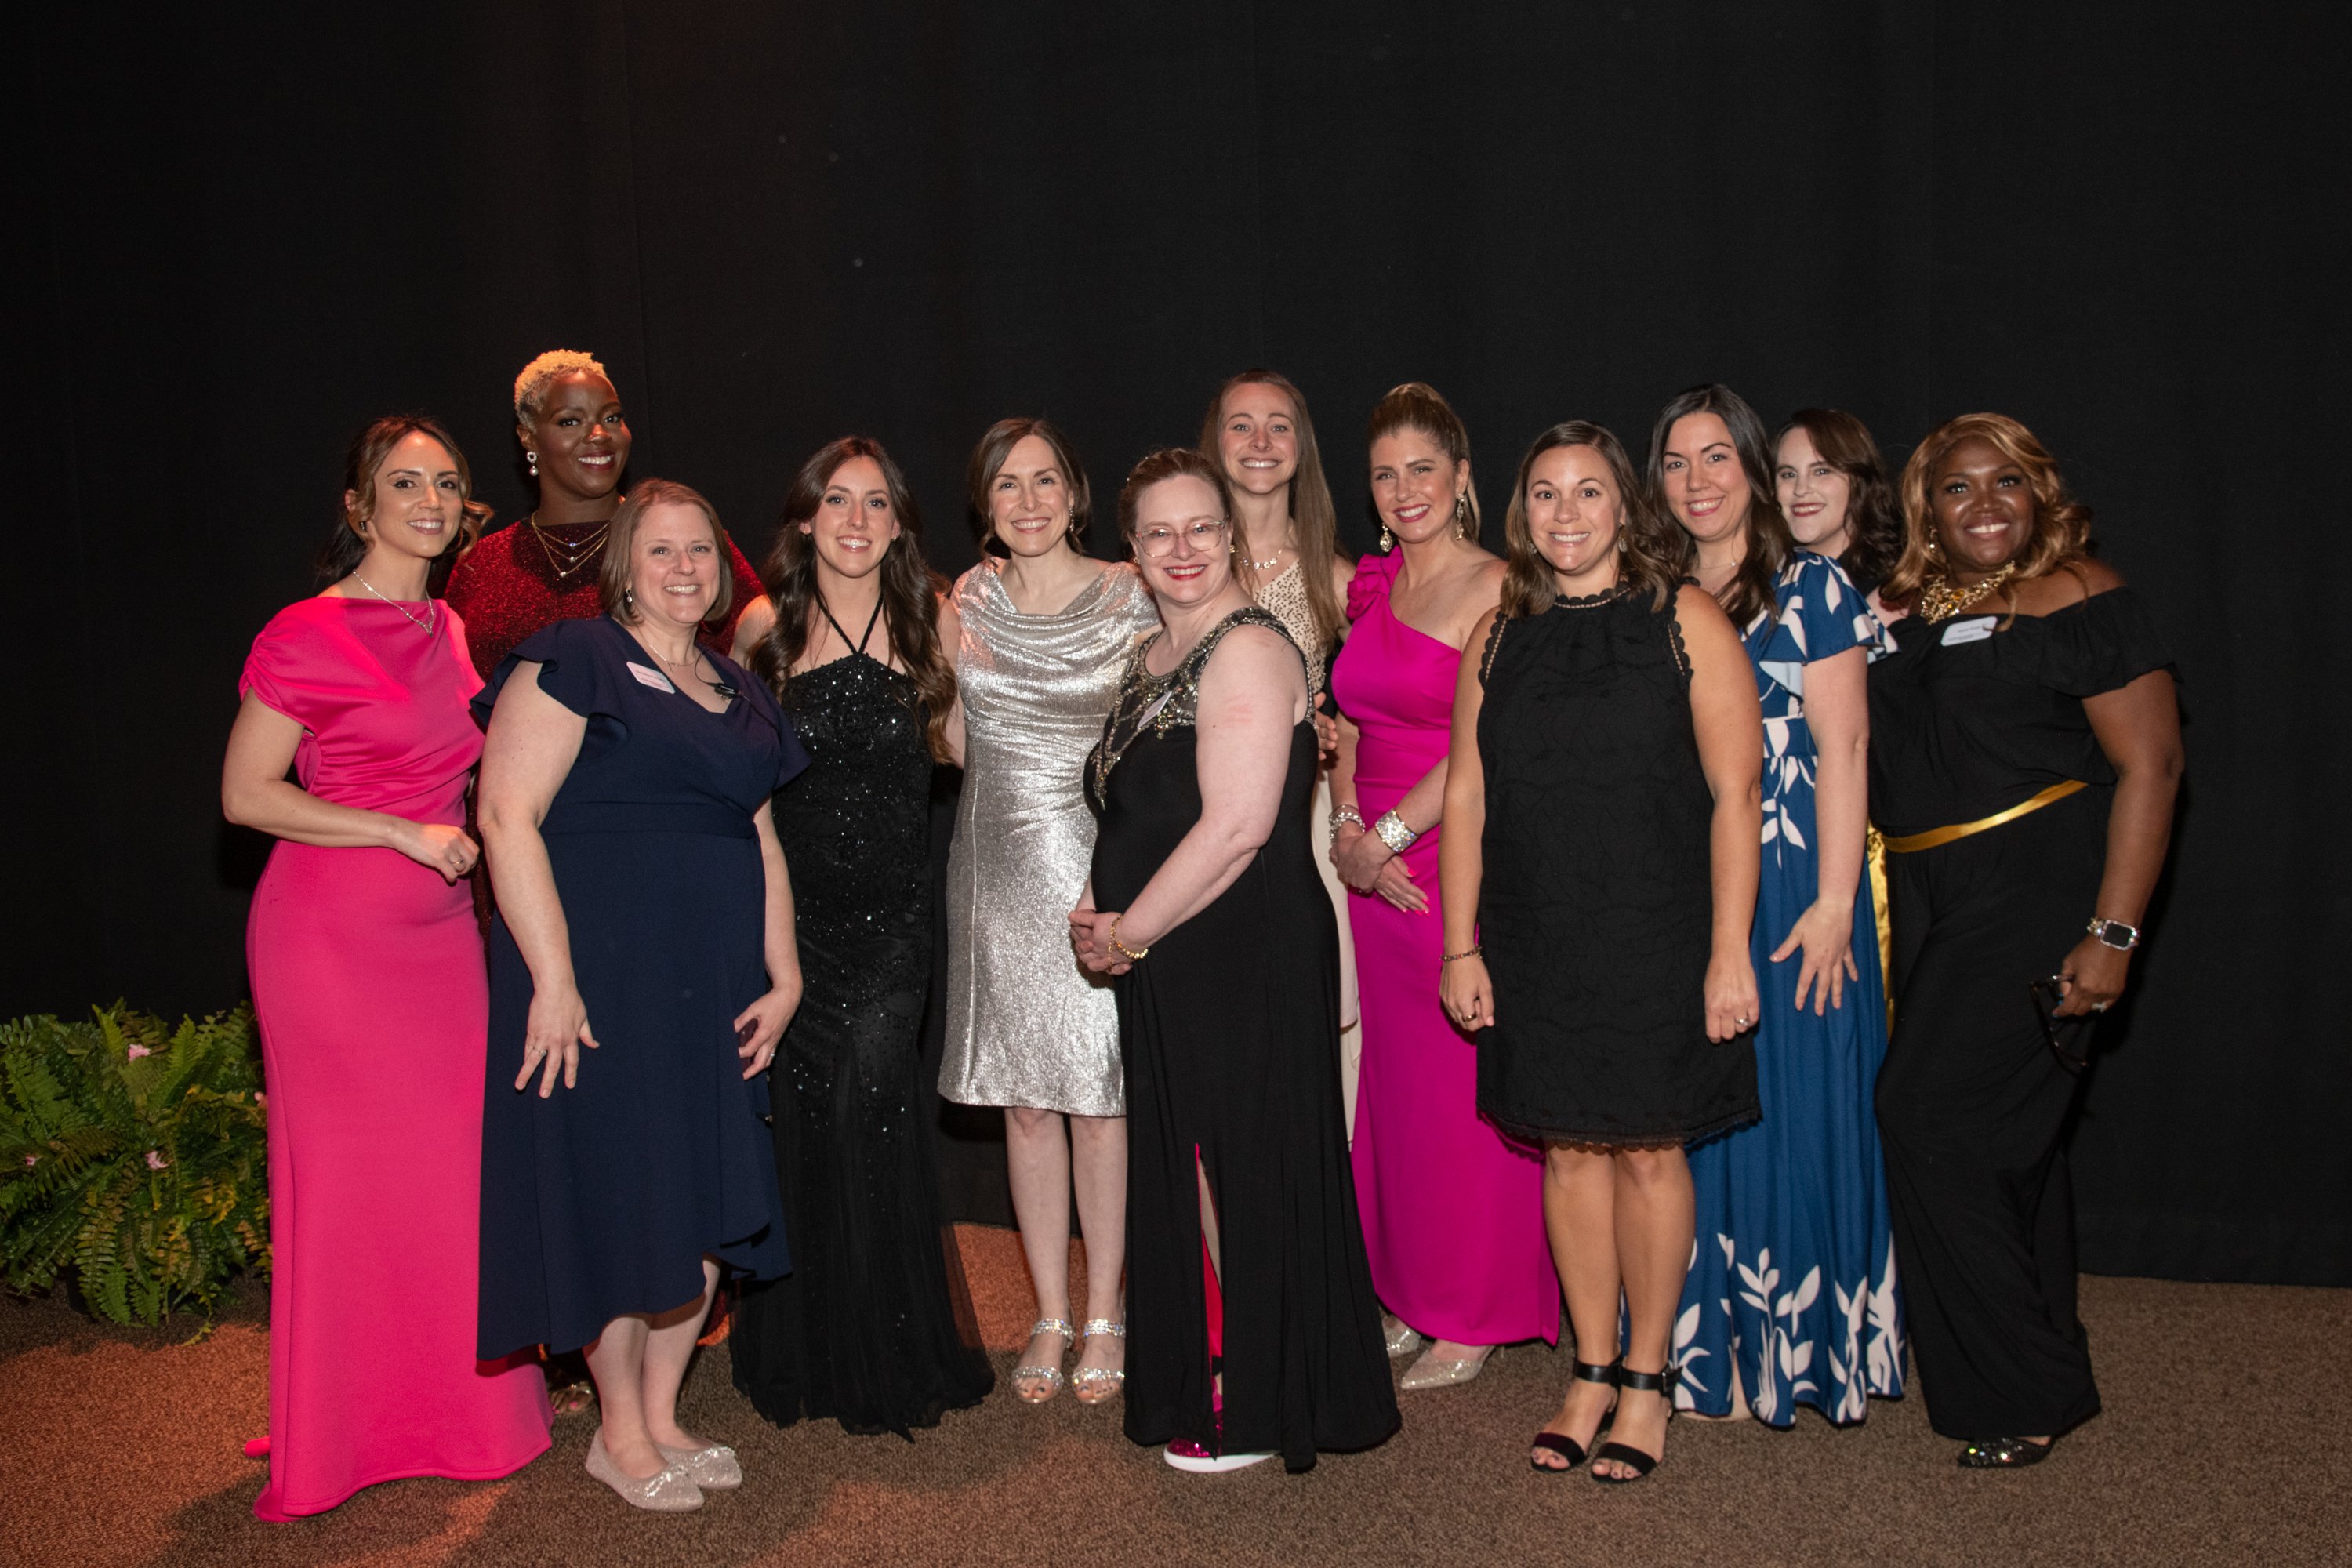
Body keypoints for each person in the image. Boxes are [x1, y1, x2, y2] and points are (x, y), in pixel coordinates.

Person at [224, 416, 550, 1520]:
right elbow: (247, 795)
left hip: (442, 940)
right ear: (360, 505)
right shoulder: (306, 631)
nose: (427, 497)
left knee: (450, 1181)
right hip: (330, 944)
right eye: (402, 481)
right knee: (353, 1190)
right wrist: (397, 833)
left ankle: (457, 1415)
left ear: (467, 509)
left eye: (446, 483)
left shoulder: (451, 627)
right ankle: (343, 1433)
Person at [1441, 422, 1762, 1484]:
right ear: (1520, 510)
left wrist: (1728, 953)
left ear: (1627, 505)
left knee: (1648, 1151)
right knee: (1570, 1151)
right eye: (1545, 494)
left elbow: (1735, 798)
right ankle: (1587, 1368)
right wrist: (1459, 946)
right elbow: (1469, 794)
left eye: (1588, 493)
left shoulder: (1687, 618)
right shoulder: (1498, 634)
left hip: (1659, 933)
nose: (1565, 514)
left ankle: (1649, 1379)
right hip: (1537, 935)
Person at [474, 479, 803, 1513]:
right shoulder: (576, 657)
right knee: (621, 1192)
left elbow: (759, 833)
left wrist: (785, 973)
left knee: (703, 1191)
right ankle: (616, 1433)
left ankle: (663, 1413)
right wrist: (553, 979)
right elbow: (505, 814)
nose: (683, 568)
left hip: (715, 982)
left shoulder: (736, 686)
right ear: (624, 564)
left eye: (700, 550)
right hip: (599, 980)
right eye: (660, 551)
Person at [1073, 448, 1399, 1474]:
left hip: (1239, 943)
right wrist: (1100, 898)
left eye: (1200, 527)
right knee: (1216, 1166)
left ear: (1232, 535)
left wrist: (1127, 931)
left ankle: (1269, 1399)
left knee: (1254, 1163)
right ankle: (1244, 1361)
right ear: (1131, 549)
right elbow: (1141, 804)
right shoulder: (1152, 653)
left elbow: (1237, 831)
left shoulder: (1249, 648)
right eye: (1159, 531)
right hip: (1180, 945)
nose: (1181, 548)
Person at [1869, 413, 2181, 1468]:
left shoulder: (2082, 593)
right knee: (2015, 1151)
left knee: (1923, 1115)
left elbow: (2155, 768)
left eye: (2007, 481)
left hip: (2032, 885)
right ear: (1927, 510)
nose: (1985, 503)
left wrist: (2115, 933)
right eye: (1957, 489)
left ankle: (2021, 1387)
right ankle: (2045, 1350)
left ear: (2041, 493)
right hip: (1924, 891)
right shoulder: (1913, 610)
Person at [729, 437, 996, 1436]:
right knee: (802, 1121)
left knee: (874, 1108)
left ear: (898, 522)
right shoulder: (765, 622)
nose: (854, 520)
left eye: (875, 504)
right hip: (790, 919)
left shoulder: (933, 614)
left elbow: (978, 747)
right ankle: (807, 1346)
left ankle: (888, 1348)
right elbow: (733, 775)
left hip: (892, 922)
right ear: (806, 518)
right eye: (835, 500)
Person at [1652, 384, 1904, 1426]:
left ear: (1754, 469)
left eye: (1718, 457)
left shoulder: (1811, 588)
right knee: (1697, 1121)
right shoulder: (1649, 592)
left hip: (1800, 886)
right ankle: (1706, 1343)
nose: (1697, 481)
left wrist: (1839, 898)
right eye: (1675, 461)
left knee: (1800, 1107)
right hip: (1684, 891)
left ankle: (1808, 1351)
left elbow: (1843, 745)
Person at [1326, 382, 1554, 1390]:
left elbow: (1484, 746)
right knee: (1401, 1089)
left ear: (1463, 478)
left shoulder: (1502, 586)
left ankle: (1479, 1305)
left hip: (1445, 852)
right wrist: (1342, 824)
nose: (1405, 487)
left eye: (1424, 467)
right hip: (1368, 865)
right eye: (1386, 472)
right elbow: (1351, 723)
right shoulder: (1374, 585)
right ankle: (1413, 1291)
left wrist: (1383, 836)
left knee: (1465, 1083)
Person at [935, 418, 1160, 1406]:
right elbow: (950, 734)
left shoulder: (1128, 592)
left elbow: (1162, 737)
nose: (1027, 502)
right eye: (1006, 487)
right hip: (995, 871)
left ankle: (1106, 1311)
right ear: (986, 505)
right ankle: (1050, 1313)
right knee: (1027, 1104)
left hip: (1096, 866)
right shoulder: (965, 600)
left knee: (1100, 1102)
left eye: (1043, 482)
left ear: (1073, 492)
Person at [1197, 371, 1363, 1126]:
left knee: (1313, 1043)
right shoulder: (1179, 566)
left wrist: (1331, 735)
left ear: (1302, 449)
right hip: (1198, 824)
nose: (1260, 442)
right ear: (1215, 441)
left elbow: (1372, 713)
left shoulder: (1340, 580)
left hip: (1303, 830)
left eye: (1279, 425)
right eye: (1241, 424)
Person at [446, 349, 770, 678]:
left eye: (612, 417)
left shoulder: (684, 542)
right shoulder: (483, 565)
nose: (599, 433)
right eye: (570, 421)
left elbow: (767, 649)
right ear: (528, 438)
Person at [1773, 407, 1904, 597]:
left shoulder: (1897, 586)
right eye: (1789, 474)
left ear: (1860, 481)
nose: (1801, 489)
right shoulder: (1765, 582)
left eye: (1821, 471)